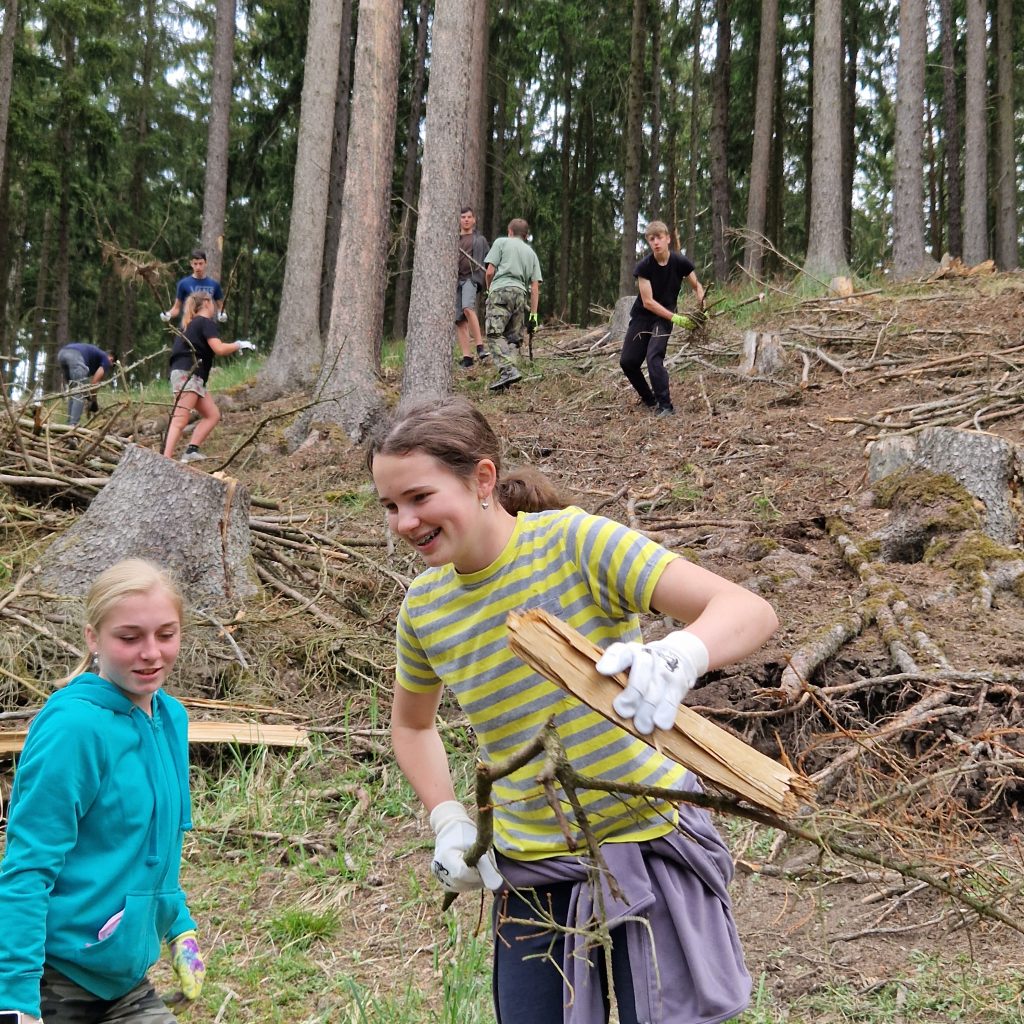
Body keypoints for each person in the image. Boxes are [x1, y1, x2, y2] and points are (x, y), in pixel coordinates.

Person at [368, 395, 779, 1024]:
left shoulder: (575, 542)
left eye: (419, 497)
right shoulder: (424, 609)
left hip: (649, 839)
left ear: (482, 479)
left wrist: (680, 654)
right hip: (533, 871)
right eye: (390, 506)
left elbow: (748, 610)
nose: (404, 522)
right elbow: (411, 724)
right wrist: (447, 818)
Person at [0, 559, 205, 1024]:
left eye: (166, 634)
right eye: (129, 638)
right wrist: (14, 1000)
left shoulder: (170, 718)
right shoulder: (73, 730)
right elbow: (27, 867)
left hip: (123, 980)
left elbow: (159, 848)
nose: (151, 653)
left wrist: (180, 927)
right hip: (50, 978)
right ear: (93, 638)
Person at [620, 220, 705, 417]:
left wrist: (702, 307)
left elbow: (697, 286)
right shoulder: (644, 267)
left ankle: (666, 406)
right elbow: (648, 302)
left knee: (653, 357)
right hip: (643, 316)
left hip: (663, 319)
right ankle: (650, 399)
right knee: (628, 362)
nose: (656, 242)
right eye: (651, 239)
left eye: (659, 237)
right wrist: (677, 318)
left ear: (668, 238)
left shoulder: (680, 262)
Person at [163, 291, 254, 464]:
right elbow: (219, 349)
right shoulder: (205, 322)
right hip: (188, 374)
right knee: (180, 419)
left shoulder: (190, 324)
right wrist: (238, 344)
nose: (214, 307)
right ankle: (165, 460)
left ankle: (191, 451)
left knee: (212, 414)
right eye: (212, 302)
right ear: (206, 302)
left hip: (193, 376)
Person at [483, 218, 543, 392]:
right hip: (520, 295)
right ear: (525, 235)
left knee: (494, 333)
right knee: (513, 339)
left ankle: (508, 370)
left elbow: (489, 272)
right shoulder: (531, 254)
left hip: (500, 291)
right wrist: (533, 316)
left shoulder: (501, 242)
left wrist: (490, 290)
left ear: (510, 231)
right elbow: (535, 287)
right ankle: (509, 381)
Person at [455, 207, 489, 369]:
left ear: (474, 219)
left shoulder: (480, 240)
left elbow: (489, 260)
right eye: (463, 217)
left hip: (471, 278)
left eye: (469, 217)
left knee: (468, 308)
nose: (466, 220)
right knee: (460, 320)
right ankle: (467, 357)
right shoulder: (453, 239)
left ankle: (480, 346)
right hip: (456, 281)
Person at [160, 249, 225, 326]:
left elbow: (220, 307)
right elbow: (176, 308)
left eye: (201, 263)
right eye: (195, 264)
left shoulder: (214, 285)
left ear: (206, 263)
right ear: (191, 264)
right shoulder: (183, 284)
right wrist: (168, 314)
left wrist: (222, 314)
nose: (198, 267)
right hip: (188, 325)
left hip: (207, 326)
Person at [56, 343, 113, 426]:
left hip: (62, 353)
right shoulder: (106, 359)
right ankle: (73, 425)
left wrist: (89, 397)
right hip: (75, 356)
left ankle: (69, 424)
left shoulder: (95, 358)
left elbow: (89, 382)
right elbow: (95, 382)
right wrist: (94, 401)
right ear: (111, 359)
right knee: (80, 392)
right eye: (111, 366)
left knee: (73, 392)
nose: (108, 368)